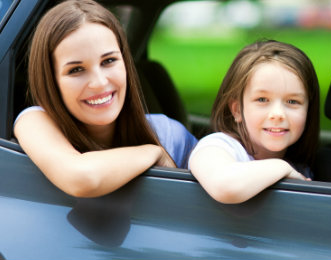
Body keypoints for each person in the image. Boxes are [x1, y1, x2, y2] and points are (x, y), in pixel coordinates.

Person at [14, 0, 197, 198]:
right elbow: (83, 178)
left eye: (109, 61)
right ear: (51, 80)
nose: (99, 83)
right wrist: (154, 153)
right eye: (76, 70)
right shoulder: (34, 121)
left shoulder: (169, 134)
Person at [188, 40, 319, 204]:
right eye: (262, 99)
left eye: (292, 101)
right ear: (237, 110)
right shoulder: (219, 147)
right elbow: (225, 186)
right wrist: (281, 167)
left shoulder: (301, 168)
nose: (278, 114)